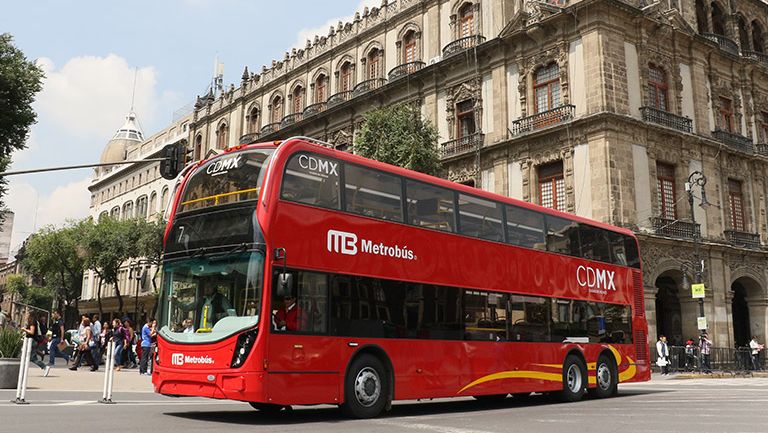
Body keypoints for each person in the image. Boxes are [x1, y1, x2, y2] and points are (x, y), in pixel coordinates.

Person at [22, 311, 50, 377]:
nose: (26, 315)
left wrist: (24, 329)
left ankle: (44, 367)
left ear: (30, 315)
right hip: (30, 341)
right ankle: (23, 369)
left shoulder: (32, 322)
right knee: (26, 355)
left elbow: (32, 332)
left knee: (32, 358)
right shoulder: (33, 322)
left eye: (27, 314)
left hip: (32, 341)